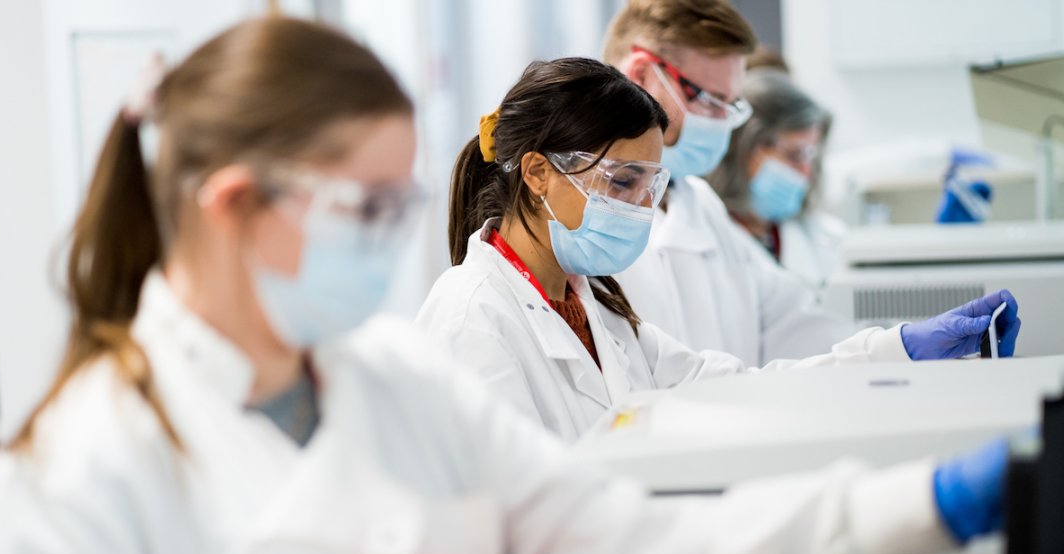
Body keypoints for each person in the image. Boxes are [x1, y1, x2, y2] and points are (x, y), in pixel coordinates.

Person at [0, 17, 1010, 554]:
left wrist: (919, 509)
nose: (391, 239)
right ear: (233, 206)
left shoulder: (387, 388)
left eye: (401, 206)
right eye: (366, 210)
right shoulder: (66, 481)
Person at [417, 57, 1019, 444]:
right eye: (622, 181)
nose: (639, 208)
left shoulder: (594, 309)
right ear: (539, 173)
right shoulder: (475, 320)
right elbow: (508, 531)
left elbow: (740, 389)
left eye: (651, 187)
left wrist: (898, 352)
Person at [599, 0, 1017, 365]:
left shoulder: (699, 206)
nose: (724, 125)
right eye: (710, 101)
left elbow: (795, 325)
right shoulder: (595, 226)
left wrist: (906, 345)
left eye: (731, 106)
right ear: (642, 75)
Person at [708, 68, 846, 292]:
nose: (805, 173)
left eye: (810, 157)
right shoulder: (704, 234)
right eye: (794, 155)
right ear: (744, 148)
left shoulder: (825, 238)